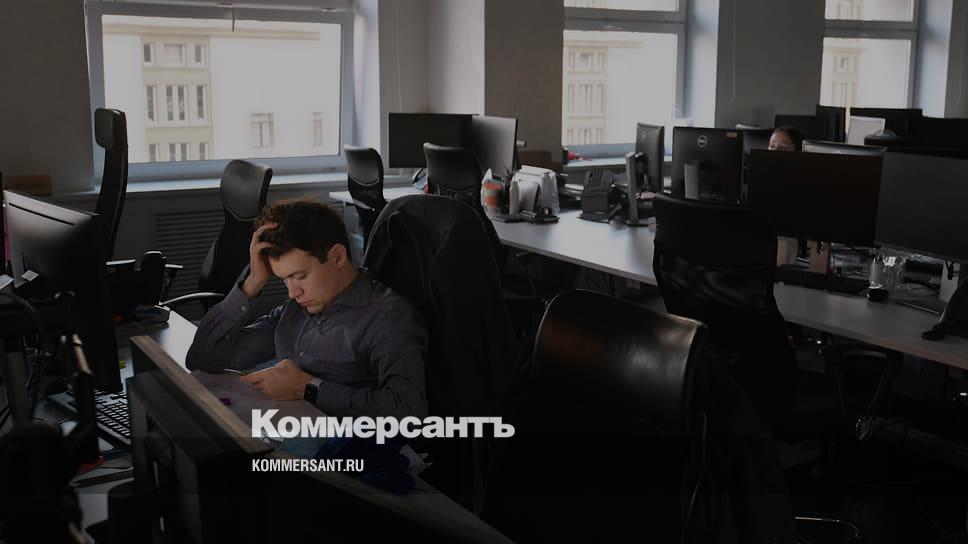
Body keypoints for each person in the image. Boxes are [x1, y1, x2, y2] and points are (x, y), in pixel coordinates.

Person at [186, 198, 428, 420]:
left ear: (337, 256)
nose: (293, 292)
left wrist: (309, 388)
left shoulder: (388, 317)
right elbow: (202, 358)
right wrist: (251, 285)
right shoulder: (294, 310)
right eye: (284, 279)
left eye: (300, 276)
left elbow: (407, 412)